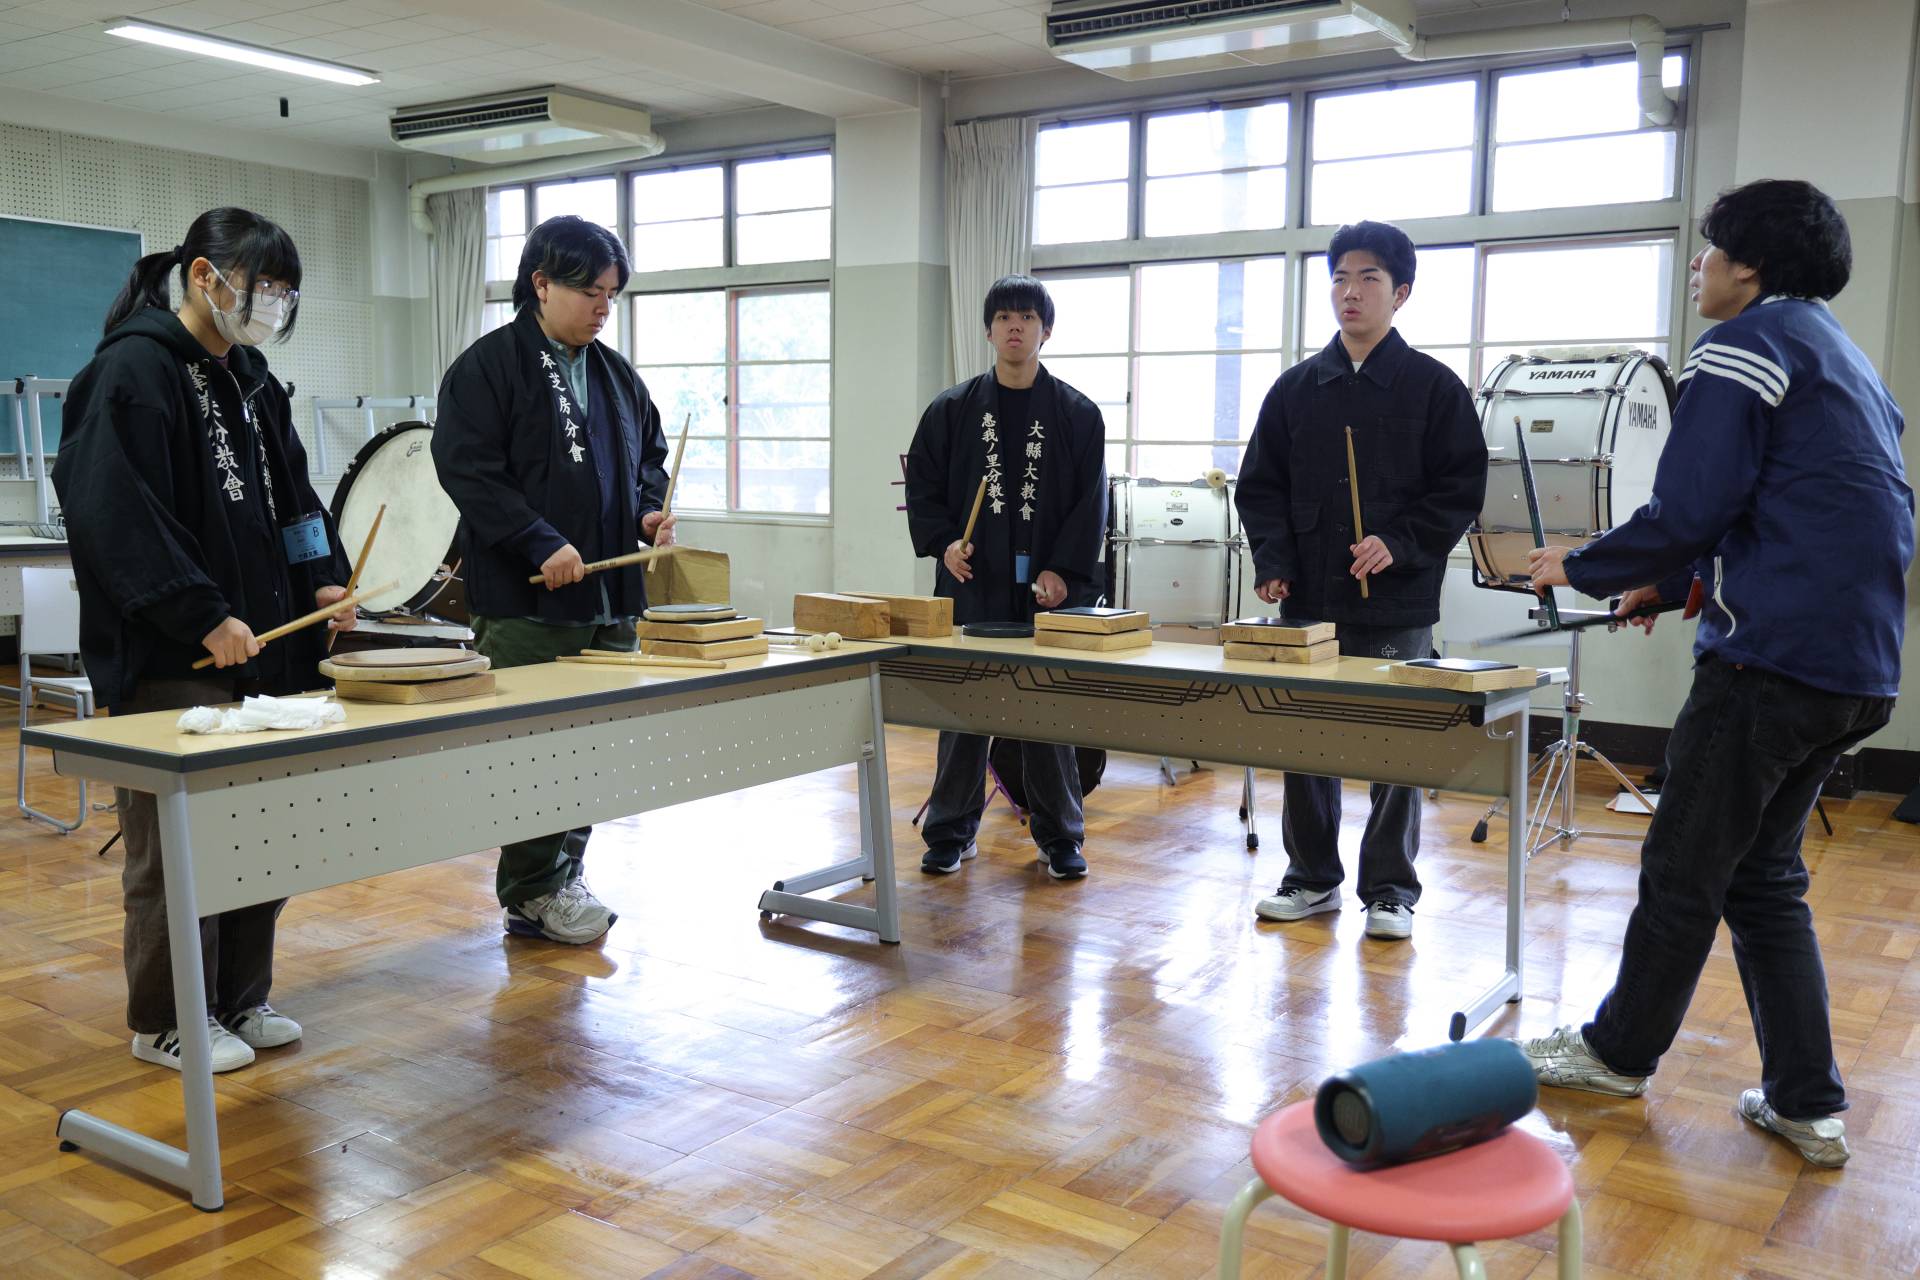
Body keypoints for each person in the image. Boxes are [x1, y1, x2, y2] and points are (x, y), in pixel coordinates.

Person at [1519, 180, 1911, 1168]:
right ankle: (1807, 1102)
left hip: (1768, 664)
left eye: (1710, 249)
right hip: (1857, 672)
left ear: (1752, 267)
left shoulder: (1742, 345)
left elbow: (1692, 504)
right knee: (1764, 877)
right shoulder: (1843, 358)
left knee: (1682, 867)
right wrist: (1674, 580)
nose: (1698, 265)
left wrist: (1584, 562)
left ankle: (1617, 1053)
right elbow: (1808, 499)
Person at [55, 207, 355, 1073]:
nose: (274, 305)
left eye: (286, 292)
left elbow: (295, 494)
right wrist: (199, 613)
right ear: (203, 277)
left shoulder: (253, 378)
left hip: (268, 654)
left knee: (263, 834)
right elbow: (113, 514)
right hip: (176, 662)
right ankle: (166, 1018)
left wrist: (322, 575)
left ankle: (238, 997)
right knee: (177, 852)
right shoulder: (131, 372)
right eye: (265, 287)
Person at [1235, 221, 1486, 941]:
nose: (1350, 292)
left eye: (1369, 278)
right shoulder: (1295, 389)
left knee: (1395, 744)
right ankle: (1311, 877)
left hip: (1397, 600)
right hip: (1310, 598)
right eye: (1340, 278)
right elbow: (1260, 487)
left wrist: (1398, 544)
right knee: (1304, 738)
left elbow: (1459, 489)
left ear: (1400, 293)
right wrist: (1274, 563)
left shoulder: (1434, 388)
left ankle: (1390, 890)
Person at [433, 215, 673, 945]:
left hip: (609, 597)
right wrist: (539, 541)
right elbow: (468, 471)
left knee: (592, 750)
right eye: (591, 293)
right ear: (541, 284)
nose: (603, 308)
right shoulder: (487, 367)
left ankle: (564, 877)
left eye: (612, 296)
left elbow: (648, 459)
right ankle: (531, 890)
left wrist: (648, 513)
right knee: (536, 750)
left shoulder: (616, 374)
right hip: (526, 602)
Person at [904, 274, 1107, 881]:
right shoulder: (951, 409)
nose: (1015, 327)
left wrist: (1063, 569)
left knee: (1047, 710)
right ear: (989, 331)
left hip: (1046, 590)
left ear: (1046, 330)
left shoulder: (1078, 414)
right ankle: (950, 831)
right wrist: (945, 545)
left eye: (1027, 317)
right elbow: (924, 489)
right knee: (963, 710)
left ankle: (1060, 836)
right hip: (974, 582)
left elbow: (1091, 503)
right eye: (1003, 318)